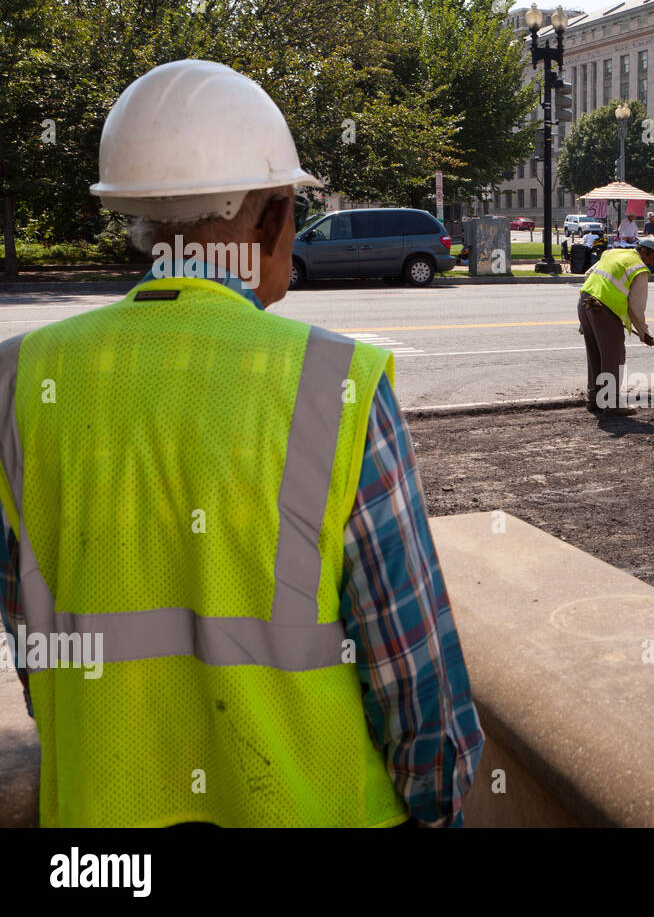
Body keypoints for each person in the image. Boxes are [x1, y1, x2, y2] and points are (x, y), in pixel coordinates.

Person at [0, 60, 482, 828]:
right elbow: (412, 675)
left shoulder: (20, 380)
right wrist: (438, 803)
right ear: (269, 218)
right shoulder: (337, 382)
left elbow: (32, 639)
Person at [577, 236, 654, 416]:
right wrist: (644, 333)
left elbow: (589, 275)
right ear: (643, 251)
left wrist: (588, 314)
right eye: (652, 257)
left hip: (585, 301)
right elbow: (636, 307)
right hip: (602, 309)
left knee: (595, 353)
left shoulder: (613, 253)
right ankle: (612, 404)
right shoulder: (639, 269)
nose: (652, 261)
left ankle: (594, 399)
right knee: (614, 356)